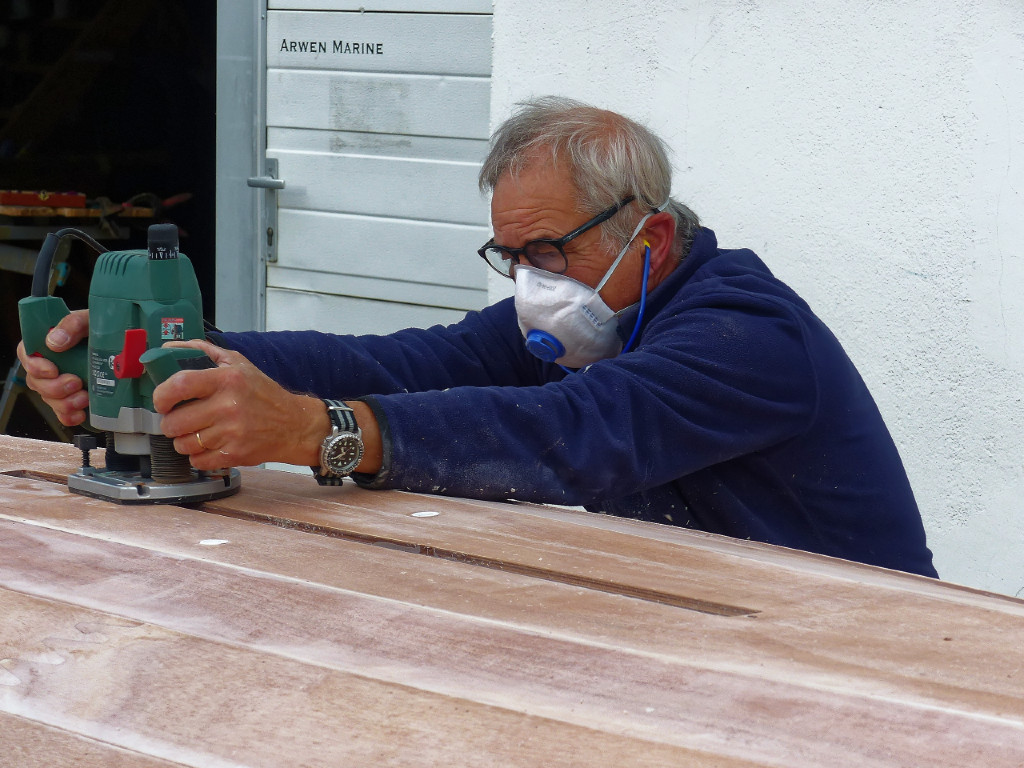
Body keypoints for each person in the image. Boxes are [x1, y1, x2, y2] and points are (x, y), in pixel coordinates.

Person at [17, 96, 937, 578]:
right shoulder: (599, 308)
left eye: (549, 250)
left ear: (648, 236)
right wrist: (183, 356)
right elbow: (408, 363)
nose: (532, 281)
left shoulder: (745, 336)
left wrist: (315, 433)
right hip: (716, 617)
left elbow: (579, 436)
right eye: (512, 255)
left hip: (863, 645)